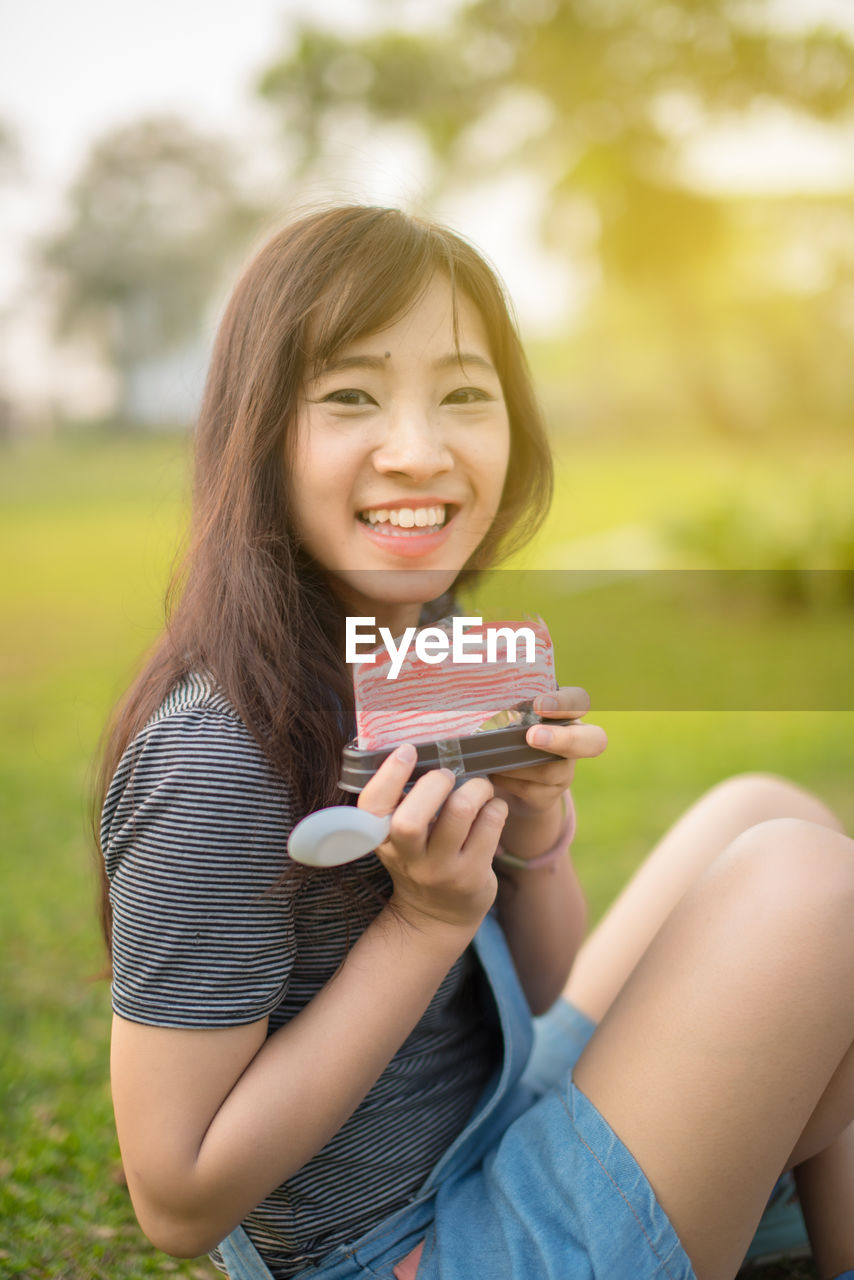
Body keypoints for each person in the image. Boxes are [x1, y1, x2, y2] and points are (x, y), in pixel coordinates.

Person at [96, 204, 854, 1280]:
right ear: (258, 436)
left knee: (766, 808)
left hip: (494, 1118)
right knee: (809, 887)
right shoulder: (216, 754)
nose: (419, 449)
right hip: (402, 1245)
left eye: (463, 394)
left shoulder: (431, 645)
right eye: (351, 396)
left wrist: (533, 830)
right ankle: (758, 1178)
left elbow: (535, 988)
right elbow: (175, 1198)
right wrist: (421, 923)